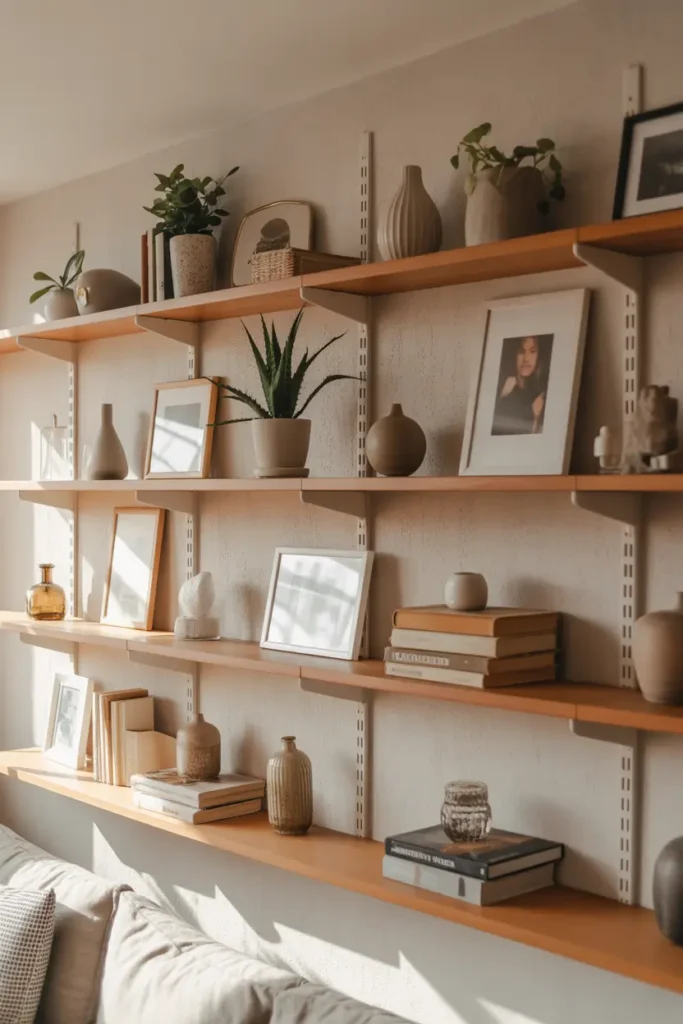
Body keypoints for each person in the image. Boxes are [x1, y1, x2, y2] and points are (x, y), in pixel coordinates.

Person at [491, 334, 551, 436]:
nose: (526, 359)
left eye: (532, 351)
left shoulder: (540, 391)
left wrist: (536, 417)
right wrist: (501, 396)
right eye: (521, 352)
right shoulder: (504, 387)